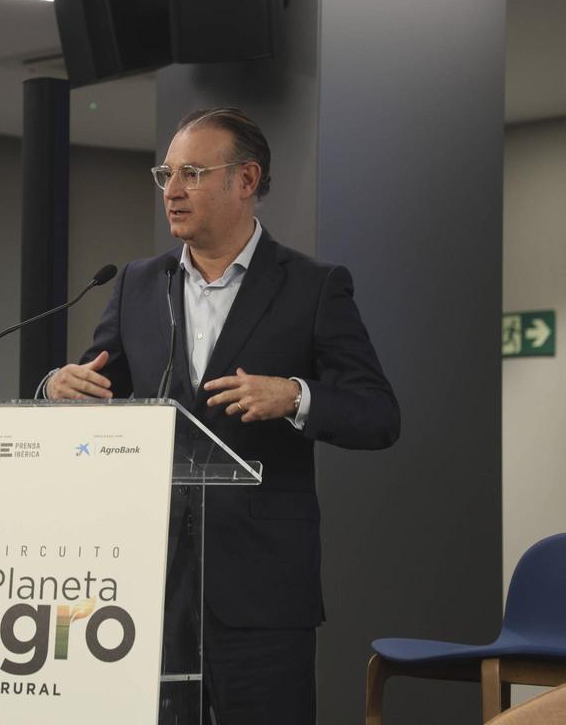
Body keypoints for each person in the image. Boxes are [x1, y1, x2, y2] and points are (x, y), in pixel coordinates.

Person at [44, 107, 400, 724]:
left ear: (245, 180)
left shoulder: (312, 288)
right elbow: (94, 389)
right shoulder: (135, 284)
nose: (172, 191)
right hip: (144, 588)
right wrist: (57, 386)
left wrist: (296, 396)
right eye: (166, 175)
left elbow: (378, 414)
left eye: (191, 173)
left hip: (261, 591)